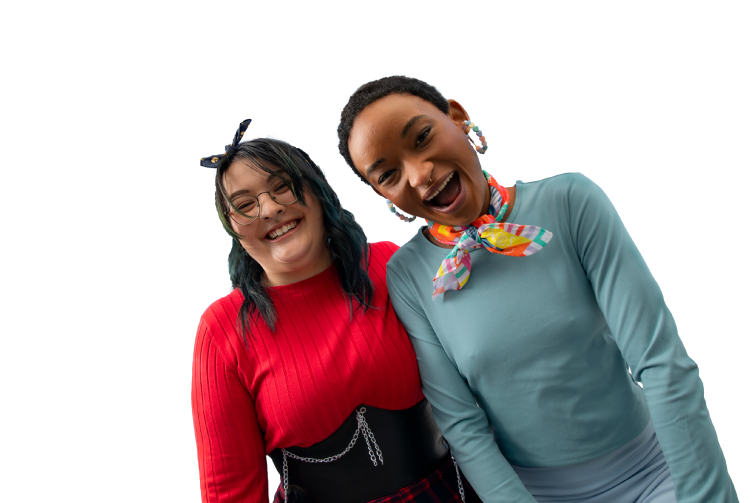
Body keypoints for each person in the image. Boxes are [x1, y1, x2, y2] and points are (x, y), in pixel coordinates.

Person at [334, 74, 739, 503]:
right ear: (382, 193)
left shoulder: (570, 201)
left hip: (659, 472)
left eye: (422, 137)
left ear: (456, 116)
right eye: (389, 174)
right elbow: (462, 426)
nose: (419, 176)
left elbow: (661, 362)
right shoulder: (407, 274)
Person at [191, 118, 483, 503]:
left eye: (282, 187)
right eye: (245, 205)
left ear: (317, 192)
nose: (270, 209)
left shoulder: (390, 264)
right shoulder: (222, 330)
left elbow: (483, 369)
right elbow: (230, 493)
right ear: (232, 228)